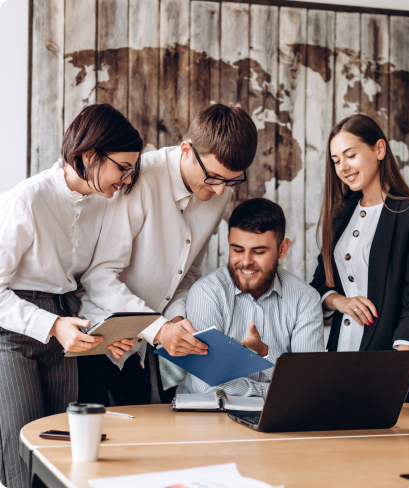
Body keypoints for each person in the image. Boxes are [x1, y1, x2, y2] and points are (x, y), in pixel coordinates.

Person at [0, 104, 143, 488]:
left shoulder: (103, 203)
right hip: (14, 336)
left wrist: (104, 333)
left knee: (65, 455)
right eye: (122, 168)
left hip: (68, 325)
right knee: (22, 457)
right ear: (89, 156)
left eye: (133, 170)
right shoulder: (26, 200)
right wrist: (52, 325)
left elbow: (89, 281)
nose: (127, 179)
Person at [78, 104, 258, 405]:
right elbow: (99, 276)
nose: (220, 192)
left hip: (142, 346)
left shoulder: (216, 192)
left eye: (231, 181)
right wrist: (160, 329)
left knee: (139, 440)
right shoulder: (138, 178)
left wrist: (176, 319)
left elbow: (187, 274)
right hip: (97, 336)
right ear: (186, 149)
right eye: (214, 177)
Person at [310, 114, 409, 404]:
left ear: (379, 150)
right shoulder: (340, 215)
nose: (343, 167)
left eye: (350, 155)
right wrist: (340, 301)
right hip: (338, 358)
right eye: (336, 160)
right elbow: (318, 284)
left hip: (388, 363)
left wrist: (398, 369)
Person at [176, 198, 324, 397]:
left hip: (280, 419)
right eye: (237, 250)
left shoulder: (305, 298)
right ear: (228, 242)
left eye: (259, 251)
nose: (245, 262)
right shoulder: (206, 293)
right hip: (210, 418)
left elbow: (310, 382)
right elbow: (206, 386)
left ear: (282, 249)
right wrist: (274, 393)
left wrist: (264, 352)